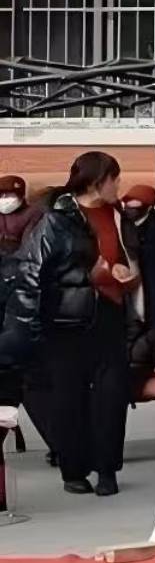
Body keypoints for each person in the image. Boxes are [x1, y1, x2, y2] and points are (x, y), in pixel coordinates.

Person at [8, 153, 139, 496]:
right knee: (69, 397)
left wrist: (127, 275)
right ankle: (74, 470)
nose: (118, 185)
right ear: (97, 182)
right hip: (66, 322)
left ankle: (107, 470)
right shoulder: (57, 220)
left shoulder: (119, 216)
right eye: (114, 179)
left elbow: (130, 258)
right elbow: (32, 273)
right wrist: (88, 276)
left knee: (111, 397)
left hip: (111, 315)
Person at [0, 175, 42, 453]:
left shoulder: (34, 215)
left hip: (20, 288)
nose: (5, 200)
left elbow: (31, 250)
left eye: (9, 195)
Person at [119, 185, 155, 399]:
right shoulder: (124, 226)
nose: (129, 207)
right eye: (127, 203)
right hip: (136, 301)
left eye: (135, 204)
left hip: (152, 302)